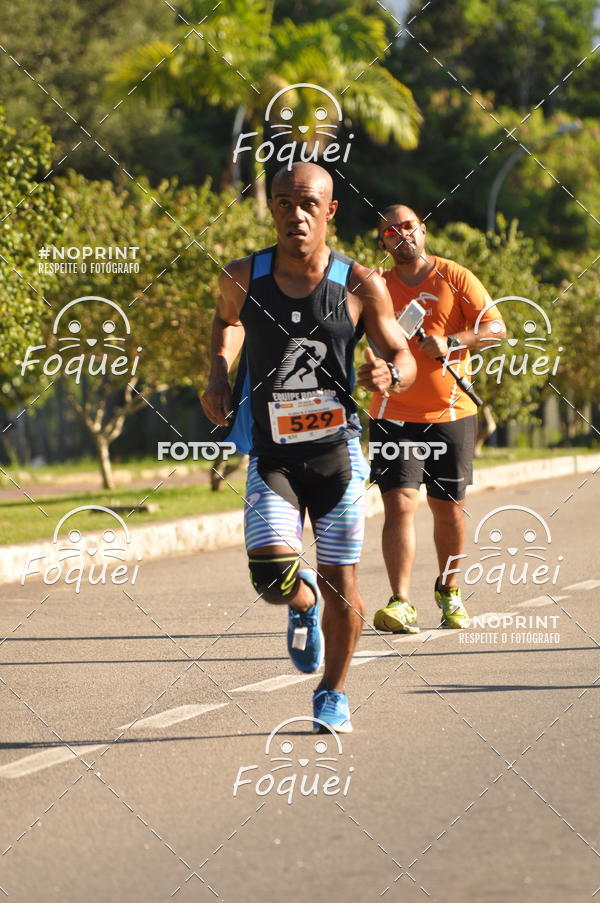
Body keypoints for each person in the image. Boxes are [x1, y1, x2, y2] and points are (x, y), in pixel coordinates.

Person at [201, 163, 415, 733]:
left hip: (337, 454)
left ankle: (331, 695)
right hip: (273, 454)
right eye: (282, 204)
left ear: (330, 210)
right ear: (271, 209)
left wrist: (389, 377)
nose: (294, 215)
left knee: (340, 580)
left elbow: (403, 356)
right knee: (271, 574)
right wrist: (219, 376)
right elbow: (227, 324)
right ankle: (301, 610)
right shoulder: (243, 275)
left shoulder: (359, 283)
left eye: (307, 204)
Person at [369, 204, 506, 633]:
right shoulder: (375, 286)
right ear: (383, 242)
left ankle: (448, 590)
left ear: (422, 231)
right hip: (393, 413)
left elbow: (497, 329)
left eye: (408, 227)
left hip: (451, 413)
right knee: (399, 505)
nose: (401, 234)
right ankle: (400, 602)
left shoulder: (455, 276)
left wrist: (453, 341)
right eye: (391, 231)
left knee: (448, 511)